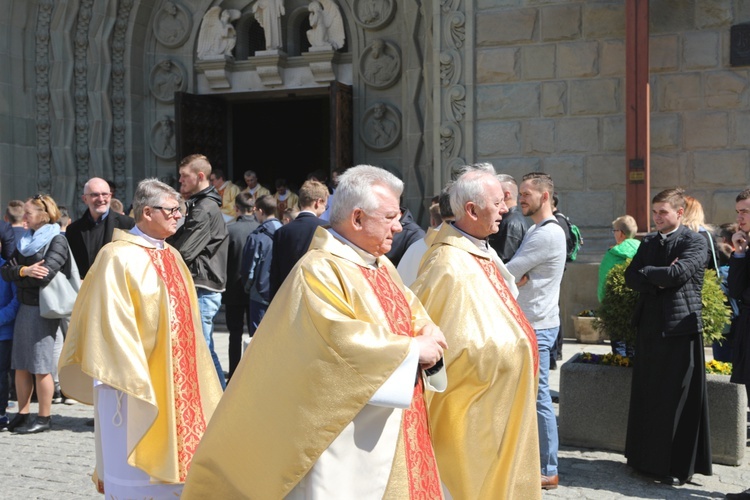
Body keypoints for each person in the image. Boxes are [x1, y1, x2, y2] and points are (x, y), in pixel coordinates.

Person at [183, 165, 447, 498]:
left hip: (389, 422)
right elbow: (335, 342)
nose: (400, 226)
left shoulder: (379, 264)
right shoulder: (319, 269)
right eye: (391, 216)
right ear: (357, 218)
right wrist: (411, 351)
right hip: (343, 436)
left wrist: (429, 330)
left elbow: (411, 311)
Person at [59, 178, 222, 497]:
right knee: (135, 476)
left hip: (178, 381)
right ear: (147, 212)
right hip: (131, 383)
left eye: (181, 209)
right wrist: (137, 377)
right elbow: (109, 324)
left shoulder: (173, 256)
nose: (179, 216)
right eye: (172, 210)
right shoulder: (116, 257)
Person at [411, 169, 541, 499]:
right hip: (469, 410)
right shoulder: (446, 263)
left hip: (497, 405)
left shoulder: (478, 250)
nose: (505, 209)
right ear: (471, 210)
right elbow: (435, 340)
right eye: (497, 203)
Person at [624, 188, 711, 485]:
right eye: (655, 212)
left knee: (676, 399)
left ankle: (674, 466)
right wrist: (656, 275)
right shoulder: (648, 242)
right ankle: (643, 461)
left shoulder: (695, 241)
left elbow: (679, 275)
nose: (657, 217)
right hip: (649, 326)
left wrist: (652, 275)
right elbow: (630, 277)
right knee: (648, 395)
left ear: (679, 213)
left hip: (679, 330)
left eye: (663, 212)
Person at [506, 172, 567, 490]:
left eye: (527, 193)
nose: (521, 199)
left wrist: (514, 277)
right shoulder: (538, 229)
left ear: (545, 196)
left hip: (537, 325)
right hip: (535, 322)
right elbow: (515, 274)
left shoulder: (546, 234)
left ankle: (548, 468)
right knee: (533, 395)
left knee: (539, 396)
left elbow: (508, 272)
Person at [0, 194, 70, 434]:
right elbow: (6, 271)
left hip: (43, 310)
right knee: (20, 364)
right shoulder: (25, 240)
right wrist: (24, 271)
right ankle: (22, 412)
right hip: (25, 307)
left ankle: (44, 416)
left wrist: (23, 274)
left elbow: (45, 275)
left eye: (29, 213)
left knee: (40, 366)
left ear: (43, 215)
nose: (24, 217)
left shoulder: (56, 240)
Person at [168, 154, 229, 390]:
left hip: (202, 285)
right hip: (201, 283)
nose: (180, 180)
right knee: (201, 347)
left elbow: (185, 251)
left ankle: (219, 404)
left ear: (200, 176)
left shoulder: (204, 208)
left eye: (185, 176)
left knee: (202, 350)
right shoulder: (201, 204)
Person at [269, 179, 328, 299]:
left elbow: (275, 272)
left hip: (289, 296)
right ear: (318, 202)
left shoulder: (282, 232)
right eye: (325, 206)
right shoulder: (327, 229)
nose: (325, 209)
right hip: (318, 297)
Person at [66, 177, 135, 278]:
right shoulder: (73, 230)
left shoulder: (127, 224)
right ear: (85, 199)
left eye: (104, 194)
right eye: (95, 195)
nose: (101, 199)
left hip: (116, 288)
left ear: (110, 196)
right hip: (86, 289)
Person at [224, 193, 259, 380]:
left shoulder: (230, 230)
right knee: (257, 334)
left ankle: (235, 372)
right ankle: (254, 372)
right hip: (257, 290)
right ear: (253, 209)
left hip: (234, 289)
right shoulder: (261, 228)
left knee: (234, 334)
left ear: (236, 208)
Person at [598, 215, 640, 356]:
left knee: (619, 349)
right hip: (637, 307)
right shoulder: (642, 250)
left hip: (615, 308)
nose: (614, 233)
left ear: (620, 233)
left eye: (614, 230)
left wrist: (604, 303)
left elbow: (604, 282)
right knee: (635, 348)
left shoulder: (612, 254)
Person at [241, 195, 281, 338]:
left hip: (259, 292)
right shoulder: (286, 232)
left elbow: (249, 268)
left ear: (260, 211)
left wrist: (248, 286)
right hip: (281, 293)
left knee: (257, 338)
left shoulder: (257, 236)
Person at [488, 173, 530, 263]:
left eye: (494, 192)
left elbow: (504, 262)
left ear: (506, 195)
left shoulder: (511, 223)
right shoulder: (509, 219)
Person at [0, 252, 19, 431]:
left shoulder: (6, 268)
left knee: (1, 374)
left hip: (3, 332)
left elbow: (16, 301)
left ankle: (1, 413)